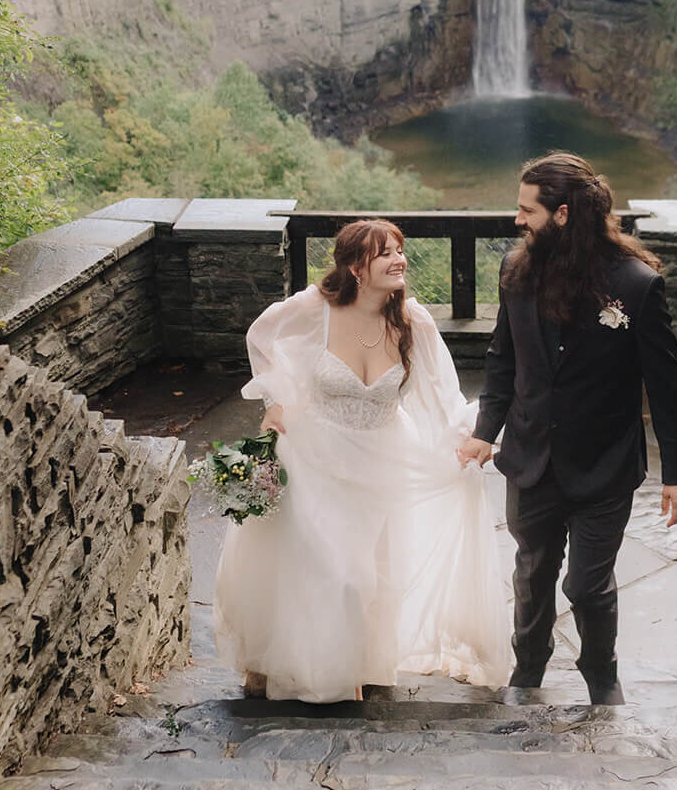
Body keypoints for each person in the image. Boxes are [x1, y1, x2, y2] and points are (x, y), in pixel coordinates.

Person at [213, 219, 509, 702]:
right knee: (337, 573)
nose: (400, 261)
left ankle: (365, 665)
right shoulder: (315, 308)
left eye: (399, 251)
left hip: (385, 460)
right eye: (385, 254)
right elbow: (262, 336)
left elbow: (443, 392)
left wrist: (469, 436)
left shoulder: (414, 321)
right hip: (318, 457)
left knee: (377, 577)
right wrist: (277, 399)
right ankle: (322, 675)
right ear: (356, 267)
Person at [457, 152, 677, 705]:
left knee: (587, 584)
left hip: (604, 464)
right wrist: (485, 431)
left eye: (527, 210)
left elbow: (666, 384)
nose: (517, 220)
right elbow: (502, 359)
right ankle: (529, 670)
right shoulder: (515, 271)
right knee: (533, 572)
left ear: (562, 214)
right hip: (531, 457)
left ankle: (601, 677)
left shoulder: (636, 285)